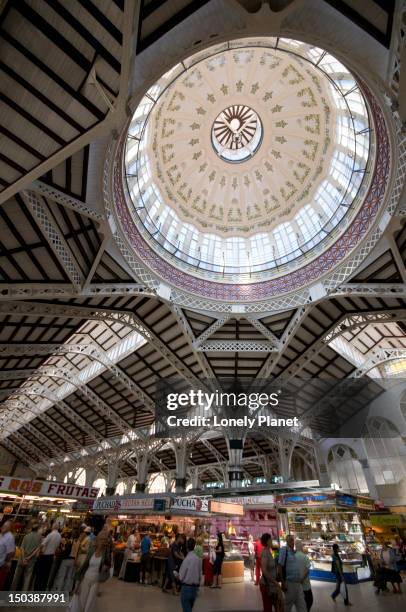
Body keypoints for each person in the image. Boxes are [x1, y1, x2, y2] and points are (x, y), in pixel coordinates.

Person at [74, 529, 111, 612]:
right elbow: (84, 567)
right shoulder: (91, 551)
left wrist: (106, 568)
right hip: (86, 578)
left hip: (96, 580)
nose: (103, 541)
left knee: (89, 604)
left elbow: (109, 565)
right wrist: (78, 584)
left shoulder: (106, 553)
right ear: (97, 540)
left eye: (105, 539)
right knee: (82, 602)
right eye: (101, 539)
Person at [278, 535, 306, 612]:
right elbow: (280, 566)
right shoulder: (284, 550)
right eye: (290, 540)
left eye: (293, 540)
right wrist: (283, 583)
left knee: (302, 606)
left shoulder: (294, 552)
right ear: (286, 541)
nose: (292, 542)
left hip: (298, 583)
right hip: (289, 583)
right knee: (287, 606)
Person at [11, 522, 41, 591]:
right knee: (27, 579)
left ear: (31, 529)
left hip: (21, 559)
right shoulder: (39, 538)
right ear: (38, 529)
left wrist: (24, 558)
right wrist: (29, 558)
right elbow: (37, 550)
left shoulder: (26, 536)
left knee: (16, 578)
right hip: (31, 561)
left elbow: (22, 548)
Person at [260, 533, 283, 612]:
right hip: (266, 585)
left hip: (271, 585)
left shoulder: (269, 551)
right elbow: (264, 570)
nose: (272, 541)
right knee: (268, 607)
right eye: (270, 540)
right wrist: (274, 581)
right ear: (267, 541)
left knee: (276, 605)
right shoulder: (265, 553)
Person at [35, 521, 61, 590]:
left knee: (40, 575)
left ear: (53, 527)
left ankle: (37, 590)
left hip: (45, 556)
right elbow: (57, 548)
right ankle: (42, 591)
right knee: (46, 575)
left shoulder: (51, 534)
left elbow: (42, 544)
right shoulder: (59, 536)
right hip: (51, 557)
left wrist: (39, 553)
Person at [179, 538, 201, 612]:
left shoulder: (186, 559)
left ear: (186, 547)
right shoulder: (197, 559)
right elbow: (199, 574)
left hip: (186, 588)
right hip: (194, 589)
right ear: (194, 546)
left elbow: (181, 576)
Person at [295, 540, 313, 611]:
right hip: (305, 584)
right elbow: (307, 570)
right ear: (301, 547)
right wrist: (302, 579)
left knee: (299, 602)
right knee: (309, 600)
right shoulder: (305, 557)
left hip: (297, 584)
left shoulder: (293, 557)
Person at [0, 521, 16, 590]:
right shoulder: (2, 535)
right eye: (4, 525)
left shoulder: (10, 537)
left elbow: (11, 552)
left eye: (6, 526)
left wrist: (5, 561)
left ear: (10, 528)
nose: (4, 526)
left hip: (1, 565)